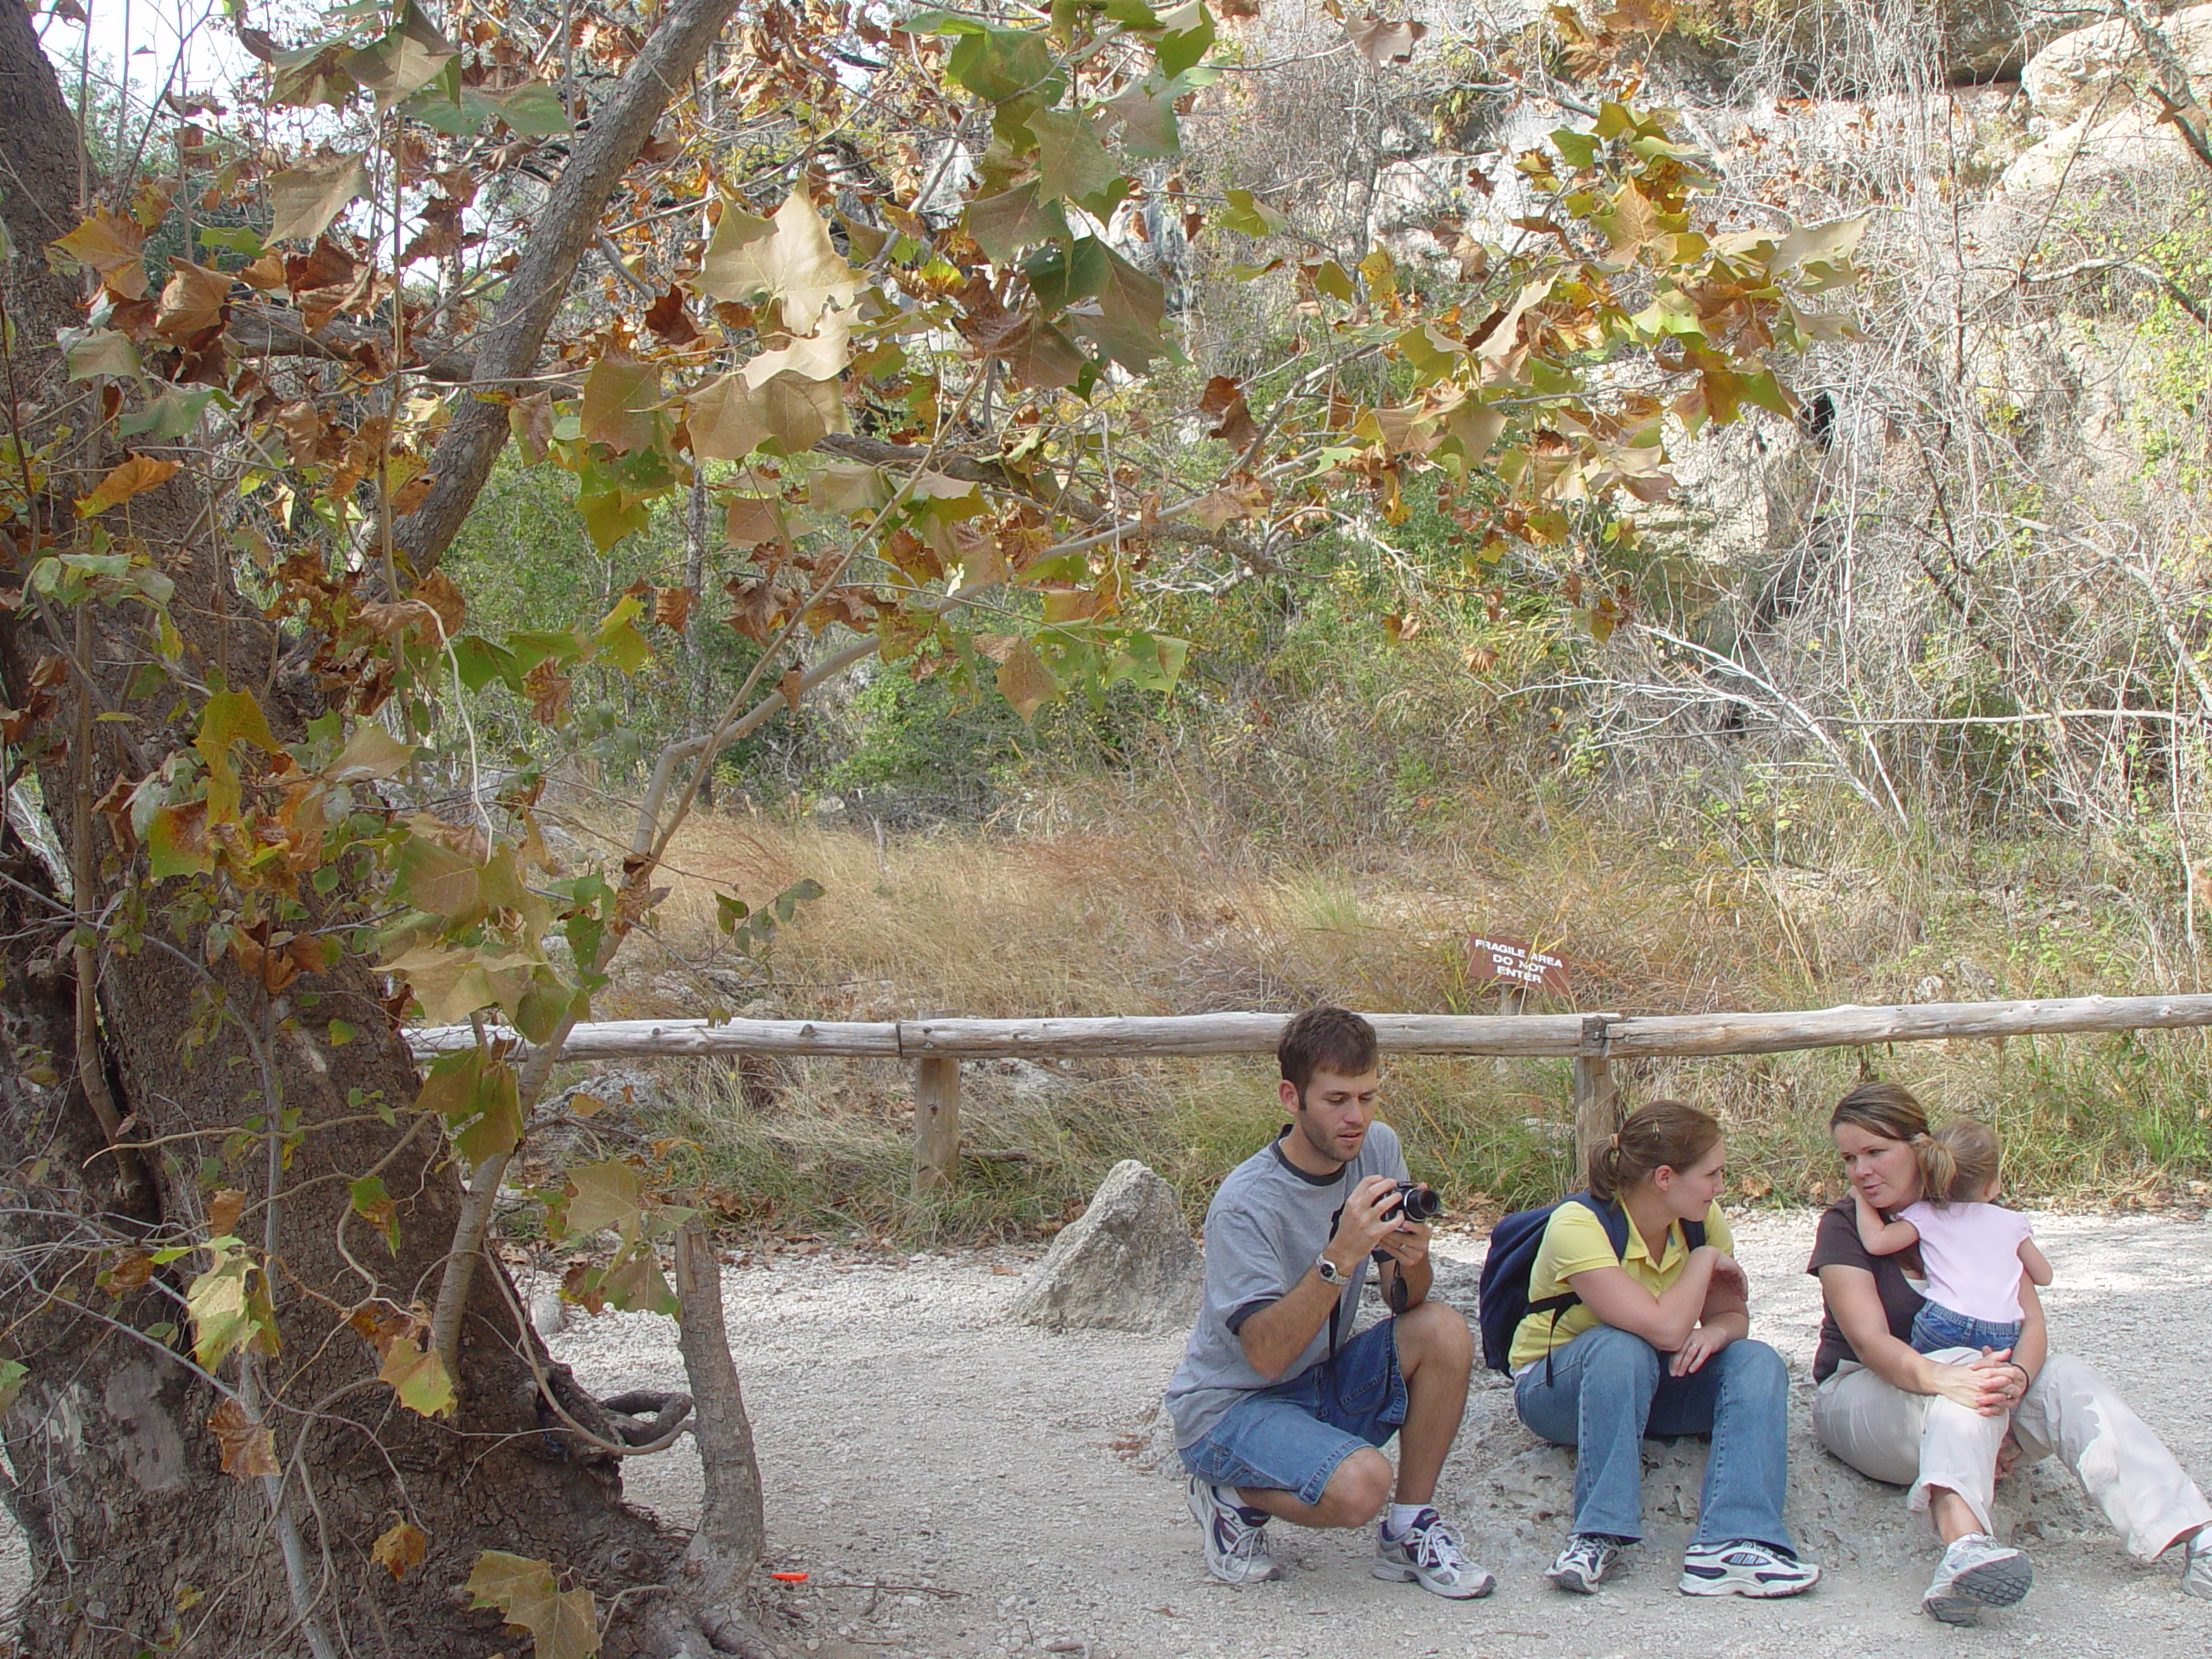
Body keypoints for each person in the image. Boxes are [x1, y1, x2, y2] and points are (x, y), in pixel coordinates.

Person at [1810, 1081, 2212, 1624]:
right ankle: (1963, 1549)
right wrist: (1949, 1380)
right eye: (1849, 1158)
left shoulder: (1974, 1212)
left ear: (1920, 1146)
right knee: (1965, 1373)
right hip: (1865, 1398)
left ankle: (2194, 1535)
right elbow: (1870, 1342)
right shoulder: (1845, 1225)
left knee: (2067, 1375)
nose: (1861, 1171)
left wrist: (2021, 1375)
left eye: (1876, 1153)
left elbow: (2032, 1323)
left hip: (1974, 1393)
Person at [1165, 1006, 1494, 1598]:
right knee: (1362, 1486)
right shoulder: (1245, 1203)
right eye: (1337, 1100)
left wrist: (1412, 1258)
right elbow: (1264, 1356)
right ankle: (1229, 1494)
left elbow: (1404, 1301)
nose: (1356, 1118)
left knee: (1443, 1329)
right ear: (1291, 1097)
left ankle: (1409, 1529)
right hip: (1230, 1408)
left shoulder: (1378, 1148)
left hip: (1313, 1379)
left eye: (1368, 1098)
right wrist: (1341, 1255)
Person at [1510, 1099, 1820, 1599]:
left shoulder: (1700, 1218)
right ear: (1664, 1178)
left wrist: (1714, 1335)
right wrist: (1704, 1261)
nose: (1721, 1187)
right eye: (1712, 1174)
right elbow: (1663, 1330)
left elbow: (1730, 1317)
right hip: (1560, 1390)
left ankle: (1734, 1541)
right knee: (1619, 1346)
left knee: (1757, 1361)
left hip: (1647, 1384)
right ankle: (1596, 1534)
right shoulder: (1579, 1223)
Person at [1851, 1117, 2052, 1357]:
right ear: (1990, 1186)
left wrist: (1861, 1199)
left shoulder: (1927, 1214)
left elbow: (1877, 1242)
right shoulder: (2011, 1222)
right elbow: (2045, 1276)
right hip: (2001, 1330)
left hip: (1945, 1322)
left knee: (1933, 1367)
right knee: (1992, 1375)